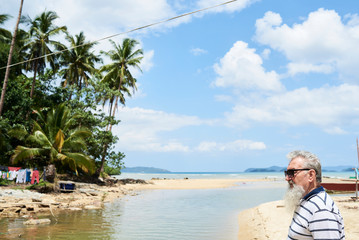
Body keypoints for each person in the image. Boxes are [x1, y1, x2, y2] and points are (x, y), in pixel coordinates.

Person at [284, 150, 345, 239]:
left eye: (291, 173)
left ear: (311, 175)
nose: (287, 178)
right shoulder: (306, 200)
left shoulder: (321, 210)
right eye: (286, 173)